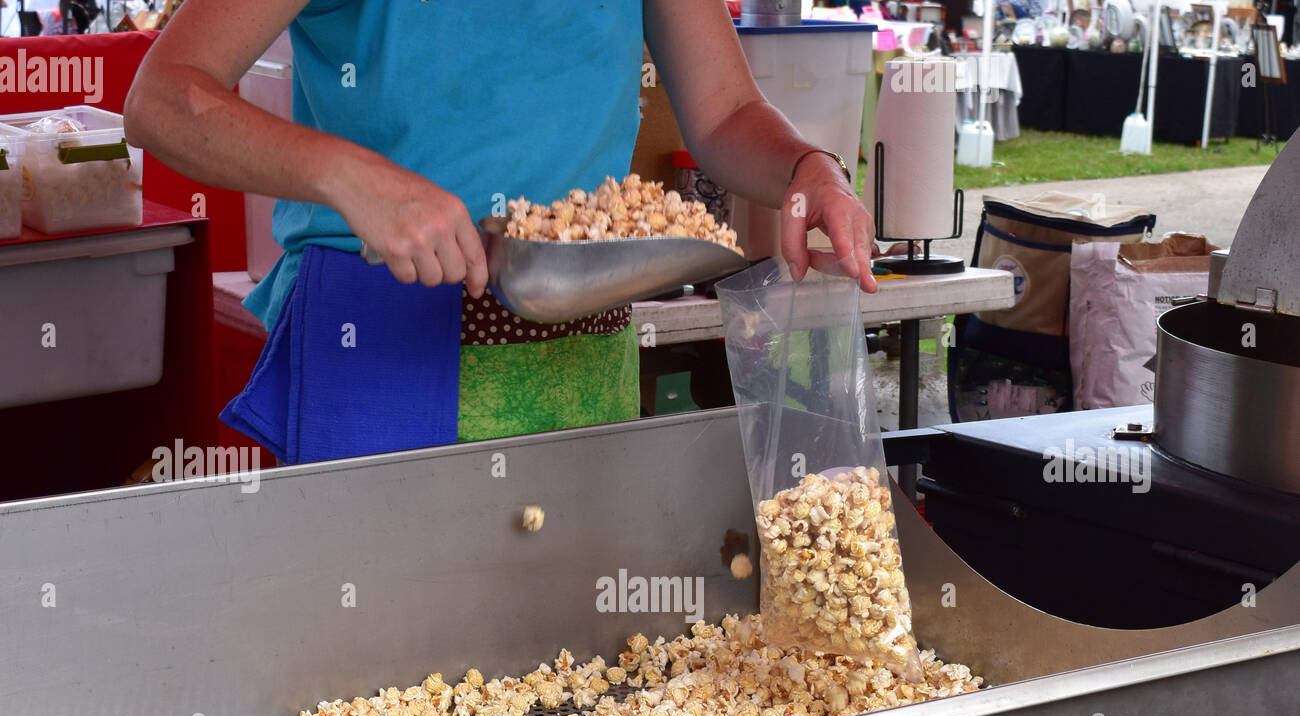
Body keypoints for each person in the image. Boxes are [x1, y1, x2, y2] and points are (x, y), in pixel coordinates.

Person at [126, 0, 878, 462]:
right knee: (372, 682)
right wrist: (348, 176)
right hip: (376, 346)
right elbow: (163, 96)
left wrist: (807, 169)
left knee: (573, 679)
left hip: (578, 352)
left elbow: (723, 114)